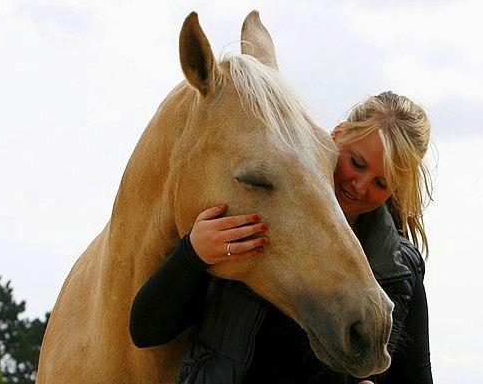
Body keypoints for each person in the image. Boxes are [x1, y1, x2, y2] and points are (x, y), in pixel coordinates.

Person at [130, 91, 434, 384]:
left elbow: (414, 375)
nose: (360, 185)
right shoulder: (253, 214)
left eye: (381, 182)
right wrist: (194, 254)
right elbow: (147, 331)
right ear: (337, 135)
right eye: (357, 163)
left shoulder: (401, 269)